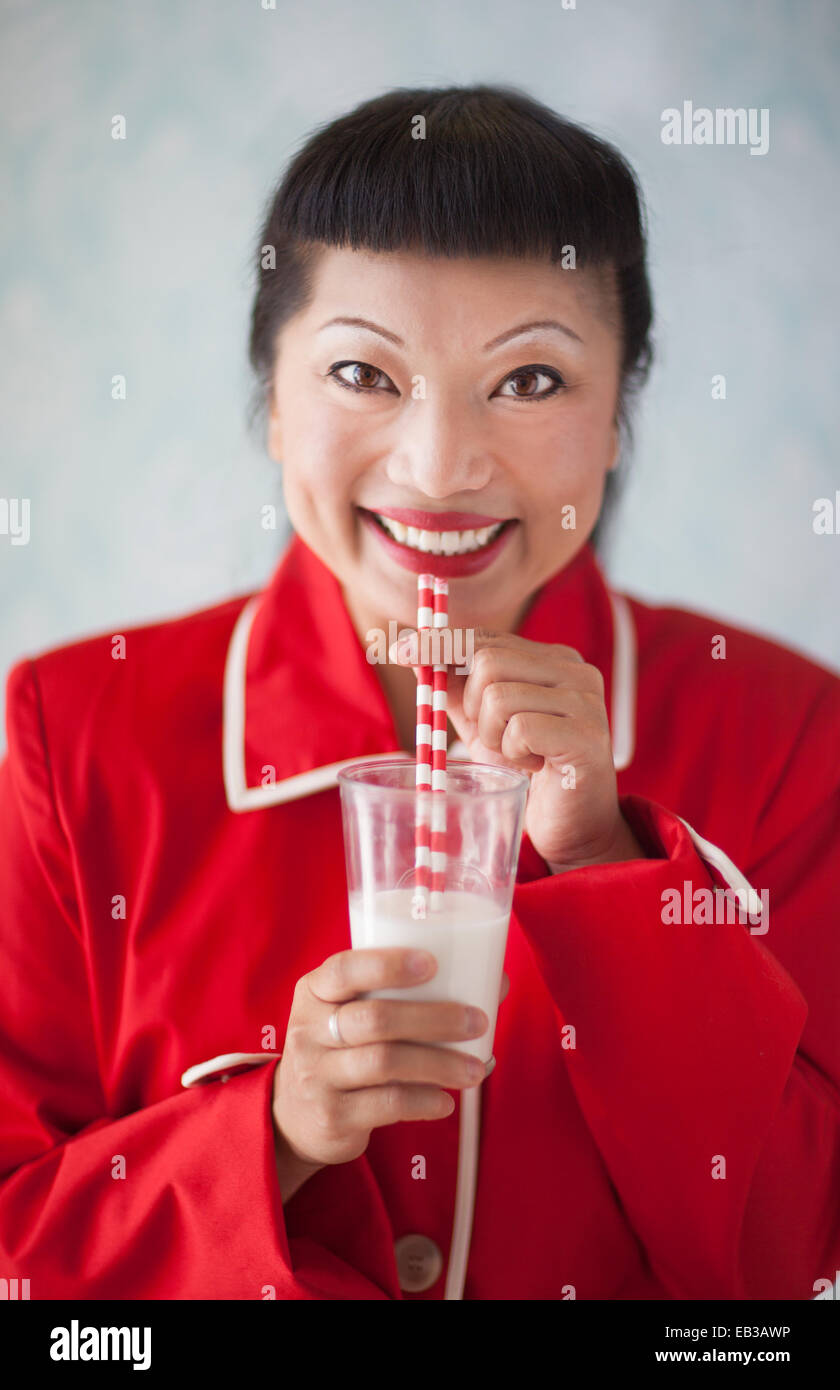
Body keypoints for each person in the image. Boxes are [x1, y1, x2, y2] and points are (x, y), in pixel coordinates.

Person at [1, 85, 838, 1302]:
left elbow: (793, 1255)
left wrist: (609, 862)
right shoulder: (70, 734)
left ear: (619, 414)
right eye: (362, 371)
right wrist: (269, 1137)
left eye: (533, 381)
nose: (440, 466)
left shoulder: (786, 733)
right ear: (273, 402)